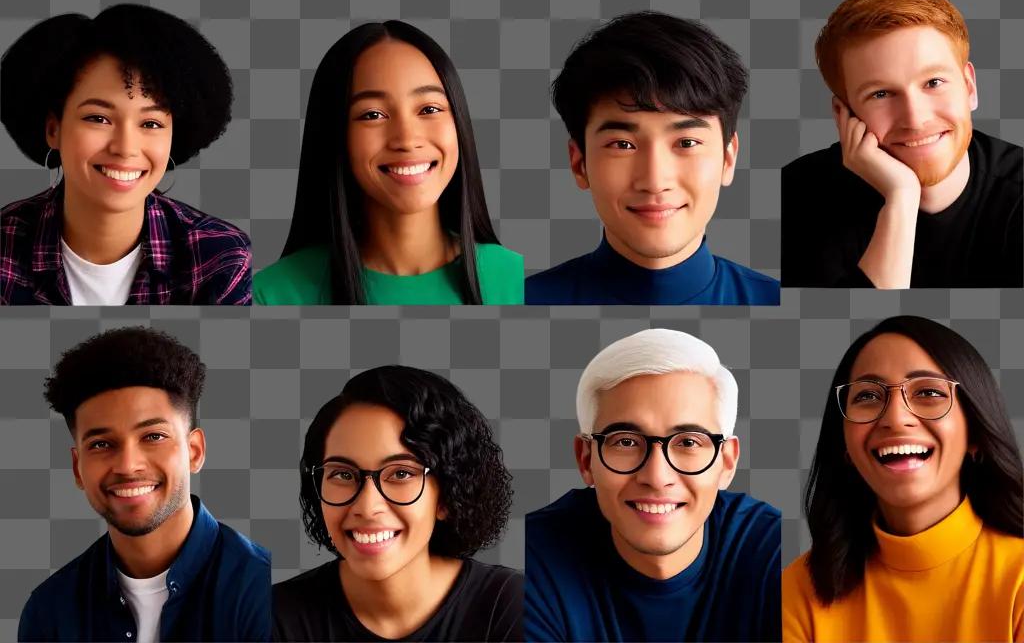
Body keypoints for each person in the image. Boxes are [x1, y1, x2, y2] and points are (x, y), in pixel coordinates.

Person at [526, 328, 781, 642]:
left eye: (688, 442)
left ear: (727, 462)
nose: (657, 476)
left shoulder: (778, 549)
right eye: (627, 442)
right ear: (586, 459)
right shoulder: (528, 556)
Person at [18, 326, 271, 642]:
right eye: (100, 444)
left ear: (194, 452)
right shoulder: (49, 611)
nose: (127, 465)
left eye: (154, 437)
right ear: (77, 468)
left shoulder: (266, 591)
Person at [783, 315, 1024, 642]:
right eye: (867, 396)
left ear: (975, 434)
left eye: (927, 392)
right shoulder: (798, 588)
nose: (895, 418)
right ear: (844, 446)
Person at [255, 20, 522, 304]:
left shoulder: (517, 280)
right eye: (372, 114)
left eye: (429, 109)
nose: (407, 139)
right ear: (335, 135)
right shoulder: (270, 295)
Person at [0, 4, 252, 304]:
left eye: (151, 123)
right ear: (53, 129)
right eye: (98, 118)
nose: (125, 147)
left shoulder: (220, 256)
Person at [525, 12, 779, 304]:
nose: (655, 181)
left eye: (686, 142)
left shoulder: (771, 298)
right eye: (622, 144)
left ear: (728, 158)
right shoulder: (519, 298)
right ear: (579, 163)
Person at [782, 0, 1022, 288]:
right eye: (881, 94)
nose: (915, 118)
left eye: (934, 82)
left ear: (969, 87)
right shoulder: (794, 196)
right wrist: (902, 198)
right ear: (843, 114)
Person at [272, 365, 521, 641]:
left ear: (447, 495)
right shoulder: (271, 616)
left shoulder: (513, 608)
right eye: (343, 474)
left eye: (401, 474)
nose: (367, 507)